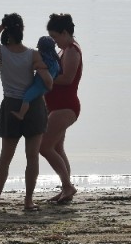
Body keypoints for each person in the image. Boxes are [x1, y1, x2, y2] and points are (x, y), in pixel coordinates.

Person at [0, 13, 54, 212]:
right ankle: (28, 201)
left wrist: (0, 26)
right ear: (22, 30)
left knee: (5, 156)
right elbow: (48, 81)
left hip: (11, 105)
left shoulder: (0, 51)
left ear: (7, 31)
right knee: (32, 156)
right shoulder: (33, 54)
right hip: (34, 105)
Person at [41, 12, 83, 204]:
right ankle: (66, 188)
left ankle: (68, 186)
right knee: (57, 147)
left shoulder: (72, 50)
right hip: (57, 106)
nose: (55, 41)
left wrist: (44, 78)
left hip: (66, 106)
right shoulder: (64, 50)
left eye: (56, 37)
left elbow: (67, 78)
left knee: (44, 146)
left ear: (65, 33)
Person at [10, 36, 62, 121]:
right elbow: (56, 73)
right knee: (39, 97)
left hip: (39, 85)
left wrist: (35, 66)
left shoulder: (46, 61)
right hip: (43, 86)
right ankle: (43, 110)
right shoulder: (55, 61)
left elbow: (40, 66)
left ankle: (21, 114)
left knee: (27, 97)